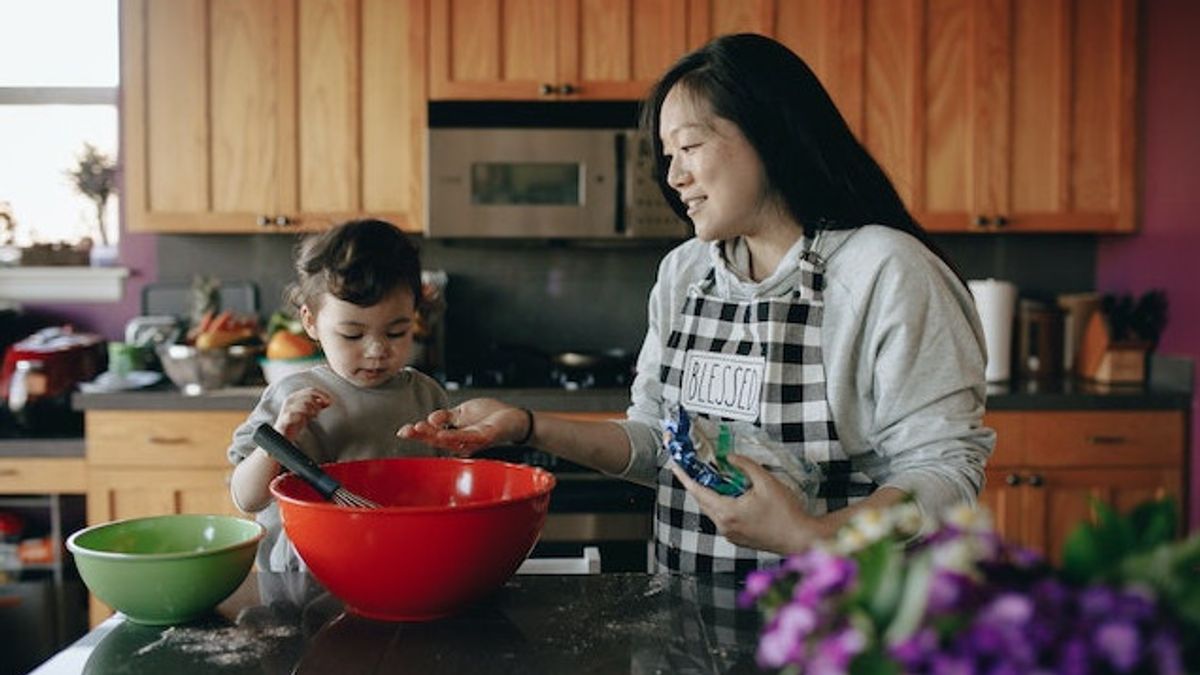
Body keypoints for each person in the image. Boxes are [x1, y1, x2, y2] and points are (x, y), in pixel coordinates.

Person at [400, 34, 994, 574]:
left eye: (689, 146)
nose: (674, 175)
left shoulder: (884, 270)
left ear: (771, 135)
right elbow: (658, 441)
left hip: (836, 626)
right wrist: (526, 427)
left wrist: (812, 539)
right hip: (690, 625)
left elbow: (942, 472)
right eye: (667, 154)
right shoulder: (686, 273)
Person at [229, 219, 448, 571]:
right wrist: (281, 434)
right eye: (352, 335)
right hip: (305, 582)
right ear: (311, 322)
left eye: (397, 332)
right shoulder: (290, 397)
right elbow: (246, 498)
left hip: (402, 568)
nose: (377, 350)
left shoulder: (426, 397)